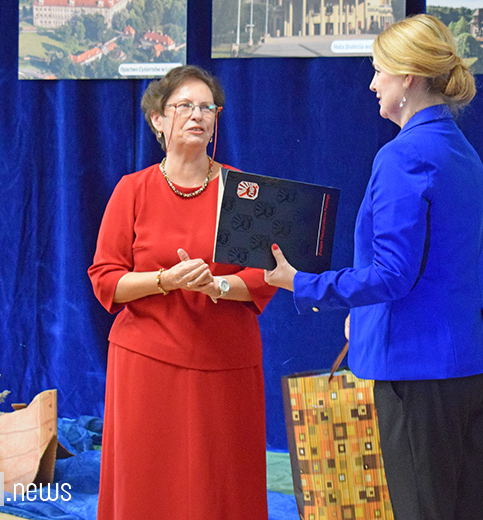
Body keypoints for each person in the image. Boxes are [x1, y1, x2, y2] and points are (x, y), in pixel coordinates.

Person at [264, 14, 483, 520]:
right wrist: (365, 316)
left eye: (379, 71)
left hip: (421, 372)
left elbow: (394, 274)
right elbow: (440, 269)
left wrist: (301, 282)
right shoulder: (461, 150)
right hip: (476, 363)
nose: (373, 84)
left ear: (409, 77)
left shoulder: (403, 155)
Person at [88, 65, 277, 520]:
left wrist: (218, 285)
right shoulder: (132, 190)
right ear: (157, 119)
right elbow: (106, 279)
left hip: (225, 359)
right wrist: (164, 281)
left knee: (223, 483)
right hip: (146, 361)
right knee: (148, 483)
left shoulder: (244, 189)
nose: (198, 115)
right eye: (185, 106)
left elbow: (265, 275)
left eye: (207, 107)